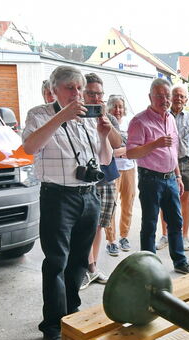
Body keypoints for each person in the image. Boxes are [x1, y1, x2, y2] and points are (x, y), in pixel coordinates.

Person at [22, 65, 115, 340]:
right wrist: (61, 116)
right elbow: (29, 146)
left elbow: (104, 158)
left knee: (78, 262)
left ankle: (70, 314)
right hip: (57, 197)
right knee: (56, 262)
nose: (77, 94)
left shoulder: (87, 116)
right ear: (54, 90)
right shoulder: (39, 114)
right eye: (70, 89)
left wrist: (103, 135)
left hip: (88, 196)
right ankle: (52, 326)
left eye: (79, 89)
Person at [126, 78, 189, 274]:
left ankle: (179, 261)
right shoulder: (139, 121)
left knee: (176, 221)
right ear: (150, 97)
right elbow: (131, 153)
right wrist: (154, 144)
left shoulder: (170, 118)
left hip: (171, 178)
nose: (164, 100)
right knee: (149, 223)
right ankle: (149, 267)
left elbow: (173, 150)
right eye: (159, 96)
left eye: (167, 96)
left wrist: (179, 176)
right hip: (150, 179)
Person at [81, 73, 122, 289]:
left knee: (99, 225)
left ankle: (93, 267)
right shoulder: (77, 117)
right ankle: (86, 267)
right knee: (85, 226)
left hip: (107, 178)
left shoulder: (108, 117)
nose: (96, 98)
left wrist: (105, 123)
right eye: (91, 93)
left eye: (99, 94)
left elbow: (117, 145)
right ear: (82, 93)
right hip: (84, 181)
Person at [157, 85, 189, 250]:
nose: (178, 98)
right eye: (175, 95)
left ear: (186, 100)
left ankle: (184, 236)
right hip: (165, 164)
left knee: (185, 201)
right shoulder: (162, 116)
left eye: (181, 96)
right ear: (170, 97)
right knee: (164, 200)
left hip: (185, 163)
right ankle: (165, 235)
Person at [106, 95, 136, 252]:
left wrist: (122, 150)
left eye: (120, 107)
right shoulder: (107, 122)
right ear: (109, 108)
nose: (118, 110)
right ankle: (111, 240)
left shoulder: (131, 123)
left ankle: (124, 236)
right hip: (112, 169)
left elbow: (136, 146)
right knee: (110, 205)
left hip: (129, 168)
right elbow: (109, 150)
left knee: (128, 203)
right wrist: (125, 149)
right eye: (114, 106)